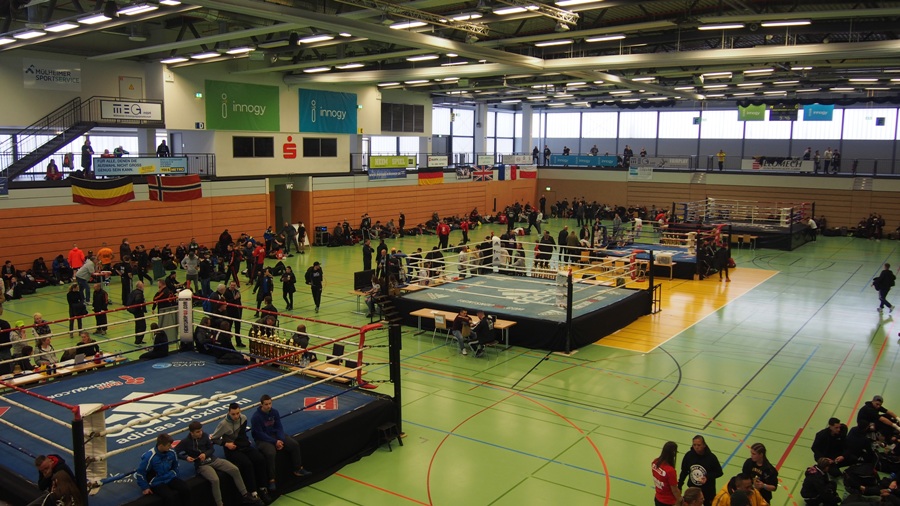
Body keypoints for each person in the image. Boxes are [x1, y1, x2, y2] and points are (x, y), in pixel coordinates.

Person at [177, 421, 261, 506]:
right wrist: (186, 458)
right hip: (202, 465)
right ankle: (219, 504)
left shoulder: (205, 436)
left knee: (234, 469)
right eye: (197, 432)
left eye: (201, 430)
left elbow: (211, 449)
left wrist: (205, 454)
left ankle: (245, 495)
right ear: (192, 433)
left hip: (213, 459)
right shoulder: (185, 442)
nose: (200, 433)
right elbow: (174, 452)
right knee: (215, 480)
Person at [211, 403, 272, 504]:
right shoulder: (223, 424)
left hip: (244, 446)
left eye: (237, 413)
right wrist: (226, 444)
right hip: (232, 450)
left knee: (260, 459)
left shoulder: (243, 418)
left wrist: (246, 441)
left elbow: (242, 434)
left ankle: (262, 488)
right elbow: (214, 438)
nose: (236, 416)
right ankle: (253, 493)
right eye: (233, 414)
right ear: (229, 413)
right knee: (247, 464)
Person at [250, 394, 312, 493]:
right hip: (262, 439)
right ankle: (271, 479)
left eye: (270, 403)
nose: (269, 406)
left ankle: (298, 469)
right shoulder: (256, 417)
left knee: (294, 444)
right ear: (261, 404)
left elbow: (279, 427)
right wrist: (275, 442)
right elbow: (259, 434)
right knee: (271, 453)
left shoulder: (275, 412)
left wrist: (281, 439)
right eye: (266, 404)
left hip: (275, 435)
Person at [135, 433, 190, 505]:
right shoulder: (149, 457)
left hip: (170, 477)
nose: (171, 447)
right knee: (169, 497)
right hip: (156, 481)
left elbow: (175, 466)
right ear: (161, 446)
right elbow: (140, 473)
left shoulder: (172, 453)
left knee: (186, 489)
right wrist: (145, 487)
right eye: (168, 445)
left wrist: (175, 475)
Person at [679, 435, 723, 506]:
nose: (696, 447)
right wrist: (679, 485)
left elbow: (719, 472)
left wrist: (707, 477)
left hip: (708, 491)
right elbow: (684, 471)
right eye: (694, 445)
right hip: (693, 490)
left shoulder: (711, 458)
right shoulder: (689, 455)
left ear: (704, 445)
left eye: (699, 445)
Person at [652, 441, 681, 506]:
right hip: (668, 502)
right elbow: (674, 490)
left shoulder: (655, 462)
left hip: (658, 498)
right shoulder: (670, 471)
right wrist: (680, 499)